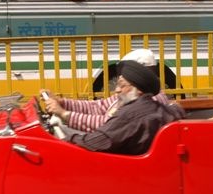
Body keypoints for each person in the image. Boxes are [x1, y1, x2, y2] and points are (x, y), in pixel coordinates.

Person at [66, 60, 184, 155]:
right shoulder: (160, 107)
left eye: (122, 85)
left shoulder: (131, 113)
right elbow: (98, 106)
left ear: (138, 90)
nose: (116, 90)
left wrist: (67, 137)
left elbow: (96, 141)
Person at [43, 49, 171, 132]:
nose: (117, 89)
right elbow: (98, 106)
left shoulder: (149, 100)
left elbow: (109, 124)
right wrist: (62, 102)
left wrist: (65, 114)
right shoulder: (131, 95)